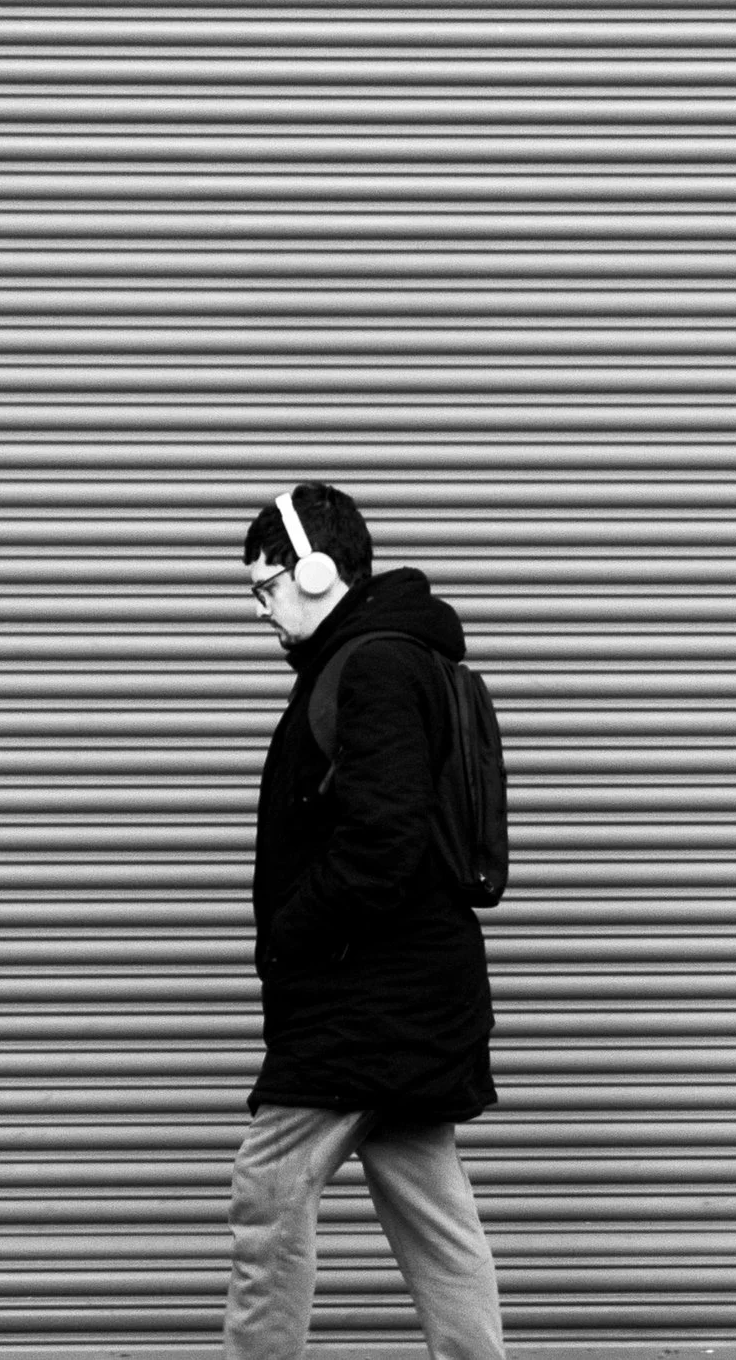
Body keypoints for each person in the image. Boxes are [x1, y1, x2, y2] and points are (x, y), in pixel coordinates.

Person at [227, 481, 506, 1360]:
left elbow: (382, 843)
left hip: (365, 1004)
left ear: (315, 572)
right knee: (434, 1215)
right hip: (406, 1002)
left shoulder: (374, 667)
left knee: (268, 1190)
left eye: (266, 586)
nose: (260, 608)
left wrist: (289, 935)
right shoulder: (376, 658)